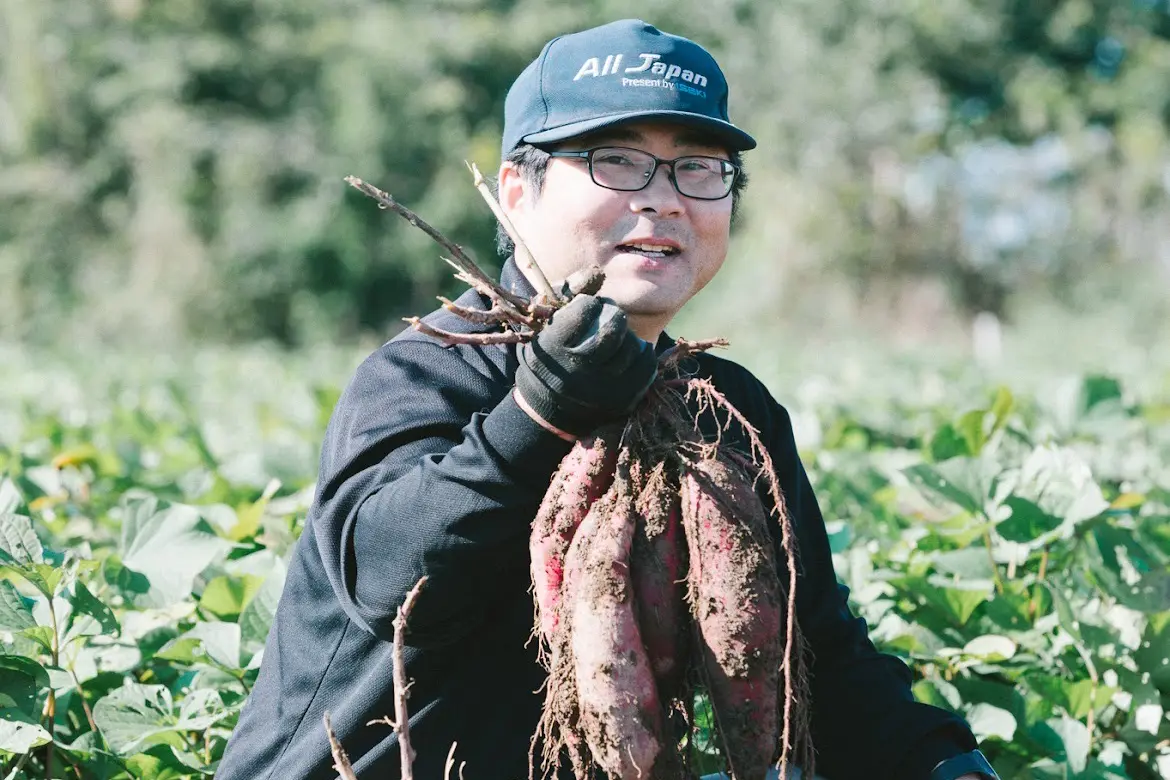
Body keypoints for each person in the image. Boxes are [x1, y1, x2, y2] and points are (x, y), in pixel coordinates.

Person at [216, 18, 1001, 780]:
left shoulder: (729, 412)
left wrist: (942, 760)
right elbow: (391, 587)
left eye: (699, 167)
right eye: (615, 161)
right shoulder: (429, 371)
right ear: (517, 193)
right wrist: (540, 413)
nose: (663, 199)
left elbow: (815, 651)